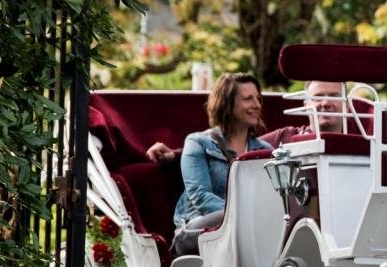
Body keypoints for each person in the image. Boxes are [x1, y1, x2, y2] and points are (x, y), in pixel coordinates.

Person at [169, 73, 272, 255]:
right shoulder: (198, 142)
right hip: (198, 229)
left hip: (250, 231)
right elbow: (200, 196)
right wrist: (244, 216)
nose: (256, 105)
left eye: (258, 98)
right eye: (248, 99)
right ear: (227, 103)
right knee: (227, 218)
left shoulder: (265, 150)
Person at [146, 80, 349, 164]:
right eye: (318, 96)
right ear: (306, 103)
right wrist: (175, 155)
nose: (325, 103)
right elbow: (236, 148)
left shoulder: (364, 144)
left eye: (334, 96)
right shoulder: (286, 138)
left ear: (347, 104)